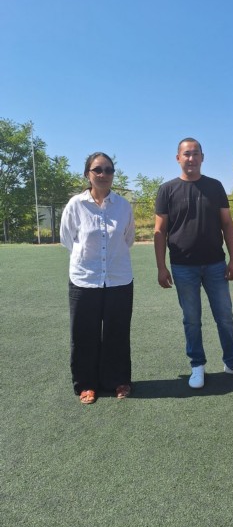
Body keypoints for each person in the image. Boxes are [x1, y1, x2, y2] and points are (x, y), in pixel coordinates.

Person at [154, 137, 233, 389]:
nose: (191, 158)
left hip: (215, 264)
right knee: (191, 319)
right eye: (186, 154)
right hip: (182, 266)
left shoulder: (215, 186)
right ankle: (197, 365)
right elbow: (160, 230)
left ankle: (232, 362)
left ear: (202, 157)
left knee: (225, 317)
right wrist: (161, 266)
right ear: (178, 158)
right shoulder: (167, 190)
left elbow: (227, 224)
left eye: (195, 153)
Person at [60, 152, 135, 404]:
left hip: (119, 278)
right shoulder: (75, 205)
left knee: (117, 332)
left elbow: (128, 239)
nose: (103, 174)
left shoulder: (123, 206)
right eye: (98, 170)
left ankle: (118, 380)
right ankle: (87, 383)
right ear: (87, 174)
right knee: (84, 334)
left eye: (109, 170)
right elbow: (67, 239)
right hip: (84, 279)